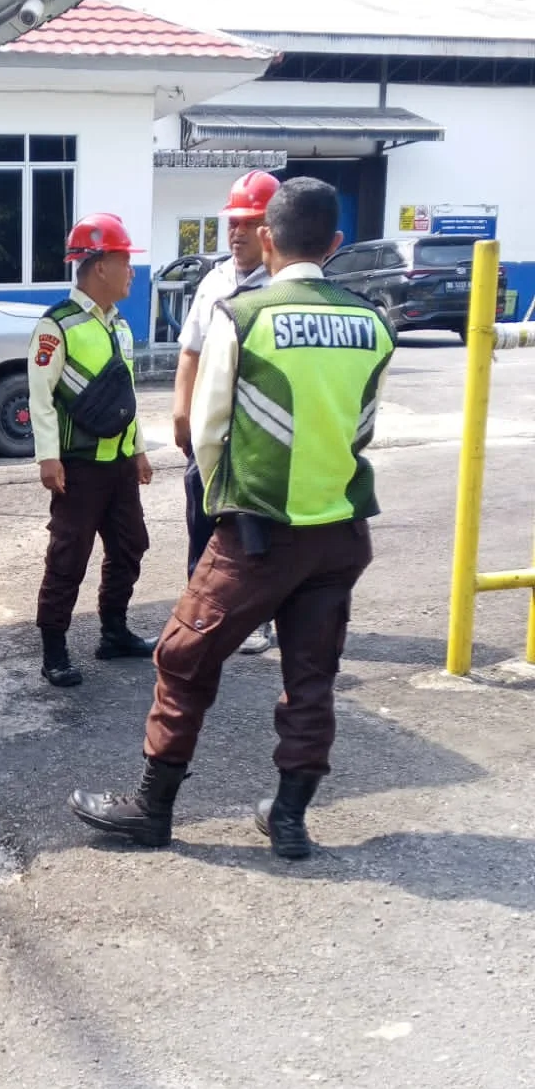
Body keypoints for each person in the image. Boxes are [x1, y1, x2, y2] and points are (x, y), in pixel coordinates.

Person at [69, 177, 394, 859]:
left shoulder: (243, 316)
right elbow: (362, 427)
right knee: (311, 675)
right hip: (339, 533)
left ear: (268, 238)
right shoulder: (371, 322)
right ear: (335, 243)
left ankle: (152, 809)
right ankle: (290, 818)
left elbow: (209, 430)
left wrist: (223, 508)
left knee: (182, 656)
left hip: (258, 531)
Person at [27, 213, 154, 688]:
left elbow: (127, 396)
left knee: (130, 545)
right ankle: (54, 650)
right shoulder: (57, 325)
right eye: (125, 262)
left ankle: (114, 632)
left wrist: (138, 450)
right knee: (68, 557)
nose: (132, 272)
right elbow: (40, 397)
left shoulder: (118, 325)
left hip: (119, 465)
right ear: (100, 266)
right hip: (78, 468)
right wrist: (48, 457)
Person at [174, 170, 279, 654]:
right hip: (210, 430)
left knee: (255, 528)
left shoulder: (281, 285)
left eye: (249, 222)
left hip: (260, 432)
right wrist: (181, 413)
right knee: (202, 522)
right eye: (233, 222)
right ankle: (200, 615)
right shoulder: (215, 280)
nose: (237, 232)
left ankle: (257, 620)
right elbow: (190, 351)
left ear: (271, 228)